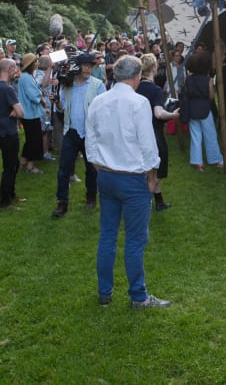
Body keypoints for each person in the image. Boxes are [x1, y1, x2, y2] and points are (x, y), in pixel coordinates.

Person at [86, 55, 170, 309]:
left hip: (107, 175)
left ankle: (105, 293)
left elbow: (90, 143)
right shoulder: (138, 102)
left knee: (108, 235)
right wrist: (152, 177)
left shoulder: (99, 101)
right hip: (132, 178)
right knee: (134, 239)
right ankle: (138, 296)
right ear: (136, 77)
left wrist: (101, 168)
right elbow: (147, 144)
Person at [53, 52, 106, 217]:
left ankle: (91, 197)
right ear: (77, 67)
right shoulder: (68, 85)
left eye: (90, 66)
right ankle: (62, 203)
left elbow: (104, 110)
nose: (87, 69)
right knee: (64, 169)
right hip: (71, 131)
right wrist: (57, 101)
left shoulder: (98, 85)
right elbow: (61, 109)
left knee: (91, 169)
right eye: (84, 66)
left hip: (90, 133)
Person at [137, 54, 180, 212]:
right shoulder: (154, 90)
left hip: (137, 133)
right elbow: (159, 114)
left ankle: (159, 202)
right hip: (153, 133)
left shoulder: (135, 87)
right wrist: (173, 115)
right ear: (154, 68)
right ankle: (144, 203)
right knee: (155, 172)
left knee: (148, 170)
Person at [0, 59, 26, 209]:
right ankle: (5, 202)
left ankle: (11, 196)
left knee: (13, 165)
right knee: (10, 168)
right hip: (8, 133)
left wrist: (12, 111)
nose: (17, 71)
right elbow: (21, 113)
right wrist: (15, 111)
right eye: (15, 68)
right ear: (10, 69)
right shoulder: (7, 88)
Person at [183, 50, 224, 170]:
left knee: (195, 136)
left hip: (192, 109)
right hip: (205, 109)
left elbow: (186, 93)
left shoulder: (188, 79)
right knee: (210, 134)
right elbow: (211, 96)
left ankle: (197, 162)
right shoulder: (209, 80)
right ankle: (215, 159)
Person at [17, 53, 45, 174]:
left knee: (30, 140)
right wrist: (42, 99)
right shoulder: (26, 78)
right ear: (31, 64)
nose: (37, 64)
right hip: (30, 113)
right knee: (35, 140)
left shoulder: (25, 76)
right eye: (35, 62)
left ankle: (23, 161)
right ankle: (30, 166)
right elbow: (33, 95)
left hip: (28, 113)